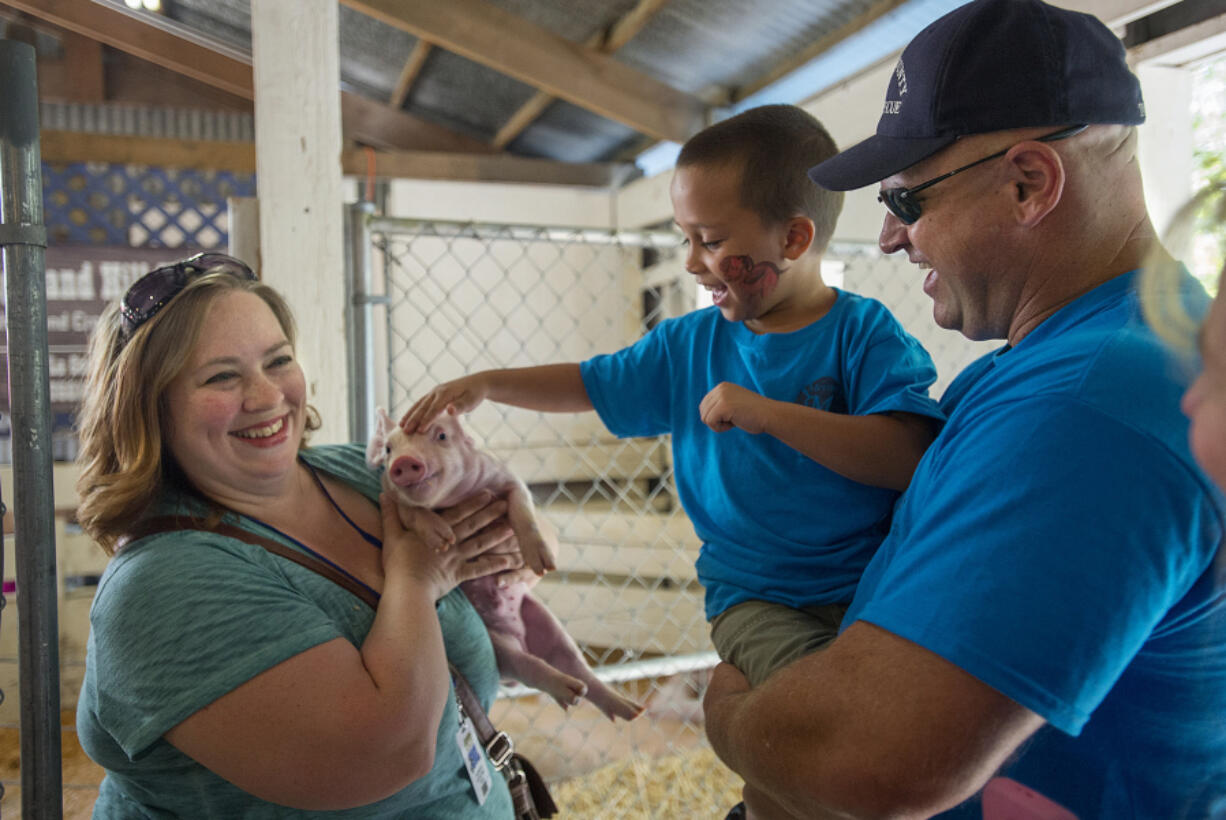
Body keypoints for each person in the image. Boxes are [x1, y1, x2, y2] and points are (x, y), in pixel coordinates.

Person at [701, 1, 1226, 818]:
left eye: (906, 201)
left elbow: (867, 761)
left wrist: (728, 709)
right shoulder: (1092, 353)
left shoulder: (1087, 404)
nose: (886, 237)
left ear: (1028, 184)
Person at [401, 103, 944, 694]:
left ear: (793, 237)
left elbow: (906, 455)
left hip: (875, 580)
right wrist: (490, 383)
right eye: (685, 238)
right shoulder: (687, 345)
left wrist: (770, 415)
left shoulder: (866, 336)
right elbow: (591, 382)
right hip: (756, 598)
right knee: (815, 702)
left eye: (709, 240)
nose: (691, 263)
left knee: (900, 705)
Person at [74, 252, 527, 817]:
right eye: (221, 376)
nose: (267, 396)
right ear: (149, 410)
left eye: (278, 360)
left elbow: (505, 541)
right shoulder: (163, 586)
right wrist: (414, 578)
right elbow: (387, 752)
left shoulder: (354, 473)